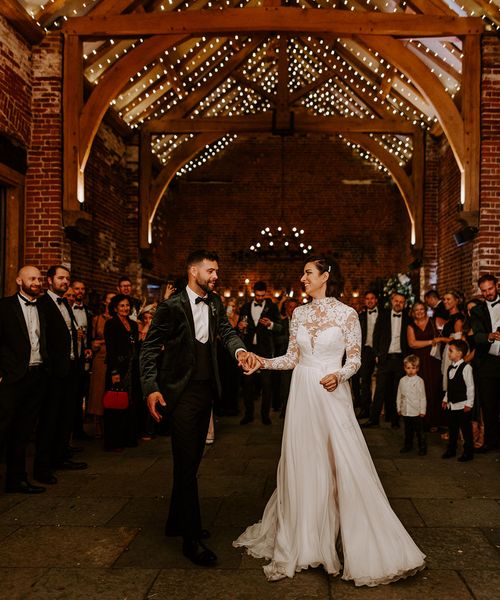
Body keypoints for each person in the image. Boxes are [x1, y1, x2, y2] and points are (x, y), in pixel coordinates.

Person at [233, 257, 425, 585]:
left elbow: (355, 358)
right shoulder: (298, 314)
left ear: (325, 275)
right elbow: (292, 358)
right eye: (304, 273)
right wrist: (260, 362)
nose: (302, 277)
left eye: (308, 272)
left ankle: (351, 536)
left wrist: (338, 374)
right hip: (303, 395)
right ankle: (306, 541)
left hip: (332, 392)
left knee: (343, 462)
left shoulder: (348, 314)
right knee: (304, 461)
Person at [140, 250, 253, 567]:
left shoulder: (215, 303)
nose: (216, 276)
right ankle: (191, 539)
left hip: (206, 391)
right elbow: (148, 350)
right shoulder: (171, 307)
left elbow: (227, 333)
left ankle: (176, 522)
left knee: (191, 461)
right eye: (211, 271)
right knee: (187, 462)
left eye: (217, 270)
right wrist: (151, 389)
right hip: (181, 393)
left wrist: (240, 351)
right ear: (193, 271)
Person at [34, 265, 88, 485]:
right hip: (54, 371)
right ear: (49, 280)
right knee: (50, 420)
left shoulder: (65, 302)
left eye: (67, 278)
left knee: (66, 415)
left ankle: (61, 456)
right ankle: (42, 467)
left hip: (71, 368)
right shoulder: (43, 304)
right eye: (61, 278)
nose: (65, 282)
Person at [0, 266, 47, 494]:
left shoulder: (43, 307)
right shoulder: (5, 307)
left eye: (39, 278)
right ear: (20, 280)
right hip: (11, 378)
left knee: (24, 431)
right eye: (32, 278)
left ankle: (16, 479)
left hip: (36, 376)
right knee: (3, 428)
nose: (37, 282)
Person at [238, 281, 283, 426]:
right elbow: (238, 327)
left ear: (265, 294)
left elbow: (280, 328)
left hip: (265, 351)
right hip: (249, 350)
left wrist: (270, 324)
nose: (259, 298)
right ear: (253, 293)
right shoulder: (245, 307)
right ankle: (248, 414)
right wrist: (239, 326)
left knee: (267, 384)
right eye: (257, 295)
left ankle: (265, 415)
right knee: (247, 383)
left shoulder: (272, 307)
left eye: (262, 296)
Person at [363, 292, 410, 428]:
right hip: (385, 359)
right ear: (392, 301)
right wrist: (378, 354)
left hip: (400, 359)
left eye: (401, 302)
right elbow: (376, 335)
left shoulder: (408, 318)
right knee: (380, 390)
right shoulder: (383, 316)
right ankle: (373, 419)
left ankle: (394, 420)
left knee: (396, 390)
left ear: (404, 304)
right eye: (396, 301)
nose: (398, 303)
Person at [103, 294, 140, 450]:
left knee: (130, 403)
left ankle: (128, 437)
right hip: (118, 368)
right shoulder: (111, 324)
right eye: (122, 306)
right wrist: (114, 371)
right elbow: (111, 349)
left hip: (132, 368)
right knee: (115, 404)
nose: (125, 308)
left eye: (127, 306)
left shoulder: (133, 324)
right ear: (115, 308)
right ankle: (113, 441)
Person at [470, 274, 500, 453]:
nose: (488, 293)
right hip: (488, 362)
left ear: (497, 285)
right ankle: (491, 441)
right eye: (484, 291)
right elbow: (477, 335)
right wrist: (490, 336)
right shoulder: (477, 311)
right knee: (489, 405)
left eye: (490, 288)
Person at [407, 301, 443, 431]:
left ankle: (435, 421)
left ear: (425, 310)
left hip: (433, 359)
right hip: (419, 361)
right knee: (422, 389)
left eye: (422, 309)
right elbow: (412, 343)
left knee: (434, 388)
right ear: (413, 312)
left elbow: (442, 336)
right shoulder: (411, 326)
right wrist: (430, 342)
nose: (419, 312)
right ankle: (422, 422)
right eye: (416, 310)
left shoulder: (434, 322)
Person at [87, 292, 115, 439]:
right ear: (105, 302)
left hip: (113, 357)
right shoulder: (97, 319)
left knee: (111, 389)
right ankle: (97, 423)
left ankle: (111, 422)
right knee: (98, 390)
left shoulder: (118, 319)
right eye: (109, 299)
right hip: (100, 357)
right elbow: (90, 341)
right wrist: (94, 344)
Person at [441, 339, 474, 462]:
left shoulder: (466, 368)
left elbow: (470, 387)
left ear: (459, 353)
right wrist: (445, 399)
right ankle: (451, 449)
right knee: (452, 429)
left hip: (462, 405)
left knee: (466, 430)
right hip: (452, 405)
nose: (448, 353)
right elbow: (450, 387)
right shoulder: (450, 368)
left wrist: (469, 403)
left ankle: (468, 452)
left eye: (451, 351)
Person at [71, 279, 93, 441]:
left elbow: (89, 335)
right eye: (77, 289)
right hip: (68, 358)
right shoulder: (66, 308)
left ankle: (78, 431)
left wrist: (88, 347)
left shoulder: (87, 311)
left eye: (82, 289)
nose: (80, 292)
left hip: (81, 358)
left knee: (80, 395)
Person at [353, 290, 379, 419]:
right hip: (366, 351)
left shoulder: (383, 315)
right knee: (365, 381)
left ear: (376, 300)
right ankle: (365, 409)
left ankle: (382, 411)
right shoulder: (360, 316)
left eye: (372, 298)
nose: (369, 301)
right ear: (365, 301)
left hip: (380, 350)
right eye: (367, 298)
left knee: (382, 382)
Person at [435, 290, 465, 392]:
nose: (445, 301)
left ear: (456, 301)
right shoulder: (451, 317)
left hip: (454, 351)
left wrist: (441, 339)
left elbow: (458, 340)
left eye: (448, 299)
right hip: (447, 350)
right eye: (444, 299)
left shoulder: (458, 319)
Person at [396, 355, 427, 455]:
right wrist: (398, 407)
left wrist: (422, 410)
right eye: (408, 368)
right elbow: (399, 395)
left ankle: (422, 447)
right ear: (404, 368)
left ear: (417, 368)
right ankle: (407, 445)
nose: (410, 371)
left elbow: (422, 397)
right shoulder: (402, 380)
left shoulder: (419, 381)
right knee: (407, 431)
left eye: (413, 368)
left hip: (416, 411)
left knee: (419, 431)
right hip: (406, 410)